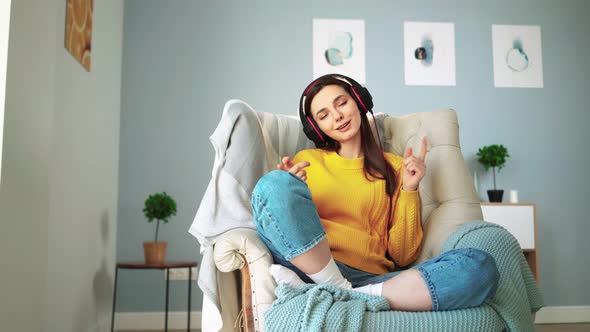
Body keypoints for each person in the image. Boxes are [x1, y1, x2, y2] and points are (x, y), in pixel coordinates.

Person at [250, 74, 499, 311]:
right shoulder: (307, 161)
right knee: (273, 184)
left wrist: (410, 189)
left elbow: (403, 255)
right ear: (317, 128)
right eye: (324, 115)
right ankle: (334, 284)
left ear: (359, 102)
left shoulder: (395, 166)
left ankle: (350, 294)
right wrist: (288, 187)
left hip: (373, 278)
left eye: (342, 103)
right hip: (312, 268)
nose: (337, 116)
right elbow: (286, 223)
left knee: (480, 266)